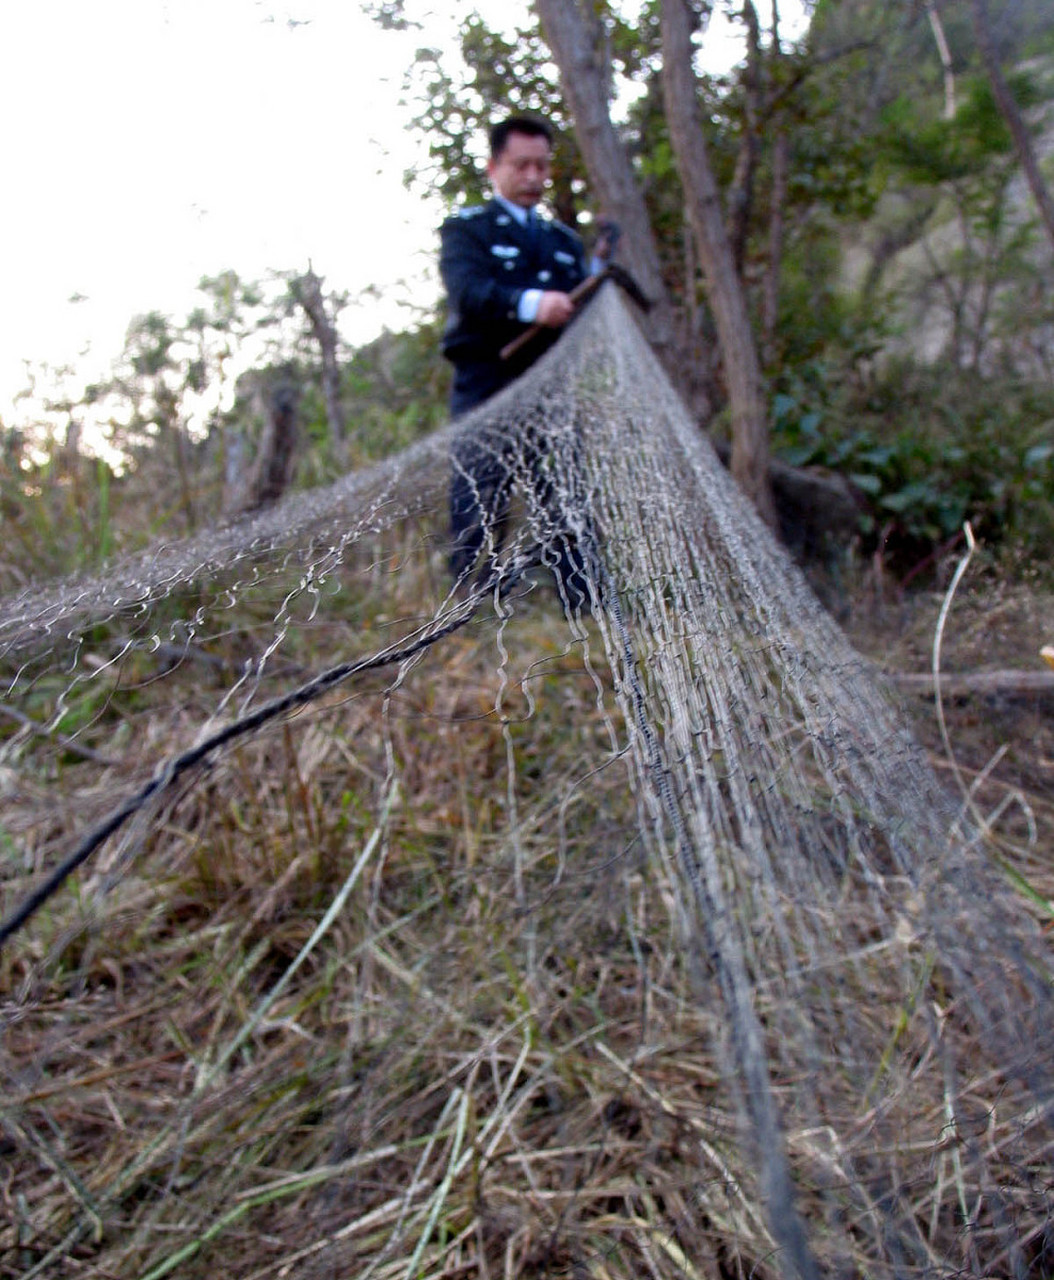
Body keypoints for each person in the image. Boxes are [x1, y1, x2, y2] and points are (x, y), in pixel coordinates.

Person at [439, 114, 616, 590]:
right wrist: (531, 304)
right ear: (494, 166)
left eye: (542, 167)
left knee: (563, 489)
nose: (535, 178)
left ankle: (582, 602)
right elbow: (468, 292)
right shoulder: (467, 230)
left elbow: (577, 300)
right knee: (480, 492)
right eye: (522, 166)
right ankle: (469, 606)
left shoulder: (559, 240)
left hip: (550, 382)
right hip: (487, 380)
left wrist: (595, 275)